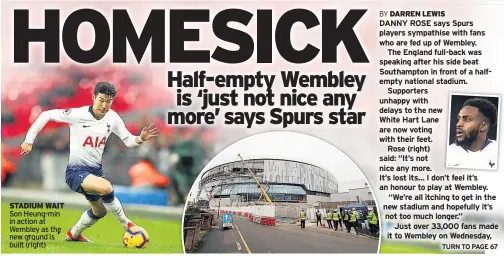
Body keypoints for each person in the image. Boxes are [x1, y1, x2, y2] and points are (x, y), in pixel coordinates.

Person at [20, 82, 159, 242]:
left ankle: (74, 234)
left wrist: (140, 138)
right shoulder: (78, 114)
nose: (104, 105)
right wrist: (28, 140)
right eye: (101, 100)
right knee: (106, 187)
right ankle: (127, 224)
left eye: (109, 101)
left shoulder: (113, 118)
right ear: (93, 97)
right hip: (76, 172)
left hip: (95, 172)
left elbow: (128, 140)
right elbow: (45, 115)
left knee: (99, 212)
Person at [446, 98, 498, 170]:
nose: (458, 124)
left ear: (484, 126)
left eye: (467, 119)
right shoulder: (448, 152)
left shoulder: (498, 151)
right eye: (459, 118)